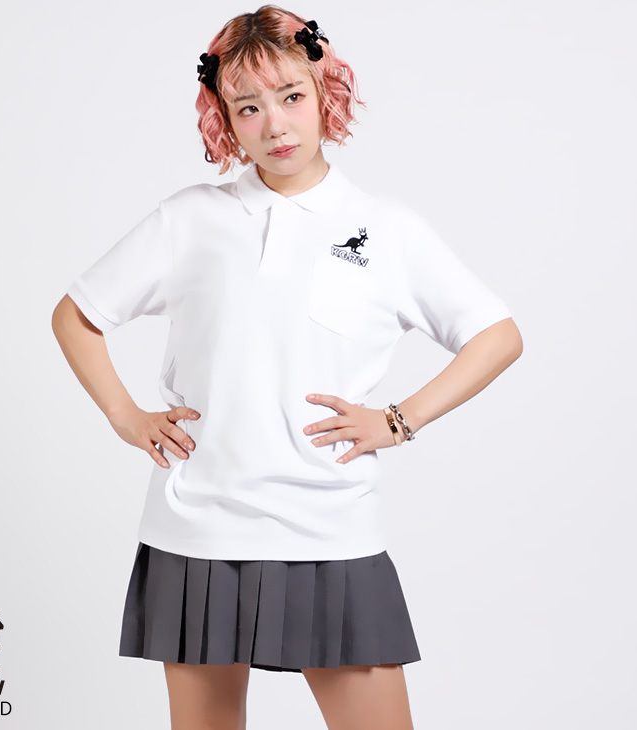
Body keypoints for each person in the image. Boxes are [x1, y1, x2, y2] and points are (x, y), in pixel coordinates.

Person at [52, 5, 523, 729]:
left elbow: (496, 336)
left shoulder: (386, 228)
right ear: (225, 120)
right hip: (197, 529)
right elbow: (77, 315)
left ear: (324, 92)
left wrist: (398, 420)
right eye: (248, 107)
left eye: (291, 97)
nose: (274, 124)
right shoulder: (189, 219)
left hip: (329, 528)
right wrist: (125, 415)